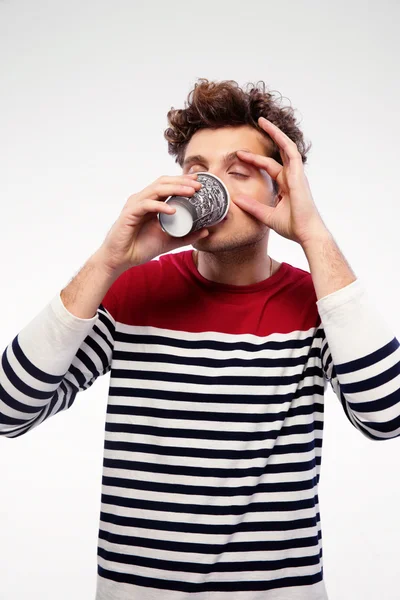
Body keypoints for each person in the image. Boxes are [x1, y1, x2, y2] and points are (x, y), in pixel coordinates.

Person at [1, 78, 399, 600]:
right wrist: (108, 262)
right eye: (198, 171)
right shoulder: (133, 294)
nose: (210, 186)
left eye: (239, 171)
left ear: (280, 190)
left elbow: (386, 415)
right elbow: (10, 411)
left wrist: (313, 233)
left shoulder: (315, 304)